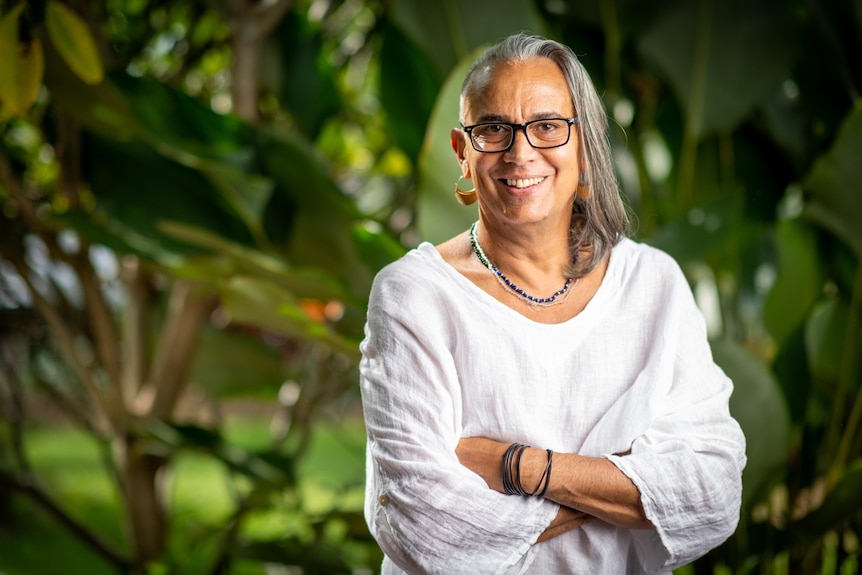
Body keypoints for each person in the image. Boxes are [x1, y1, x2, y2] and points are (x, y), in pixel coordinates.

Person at [359, 32, 746, 574]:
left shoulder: (653, 285)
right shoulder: (415, 295)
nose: (521, 152)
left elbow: (712, 493)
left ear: (584, 144)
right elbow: (425, 527)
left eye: (547, 126)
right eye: (493, 129)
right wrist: (631, 486)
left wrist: (519, 467)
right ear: (462, 153)